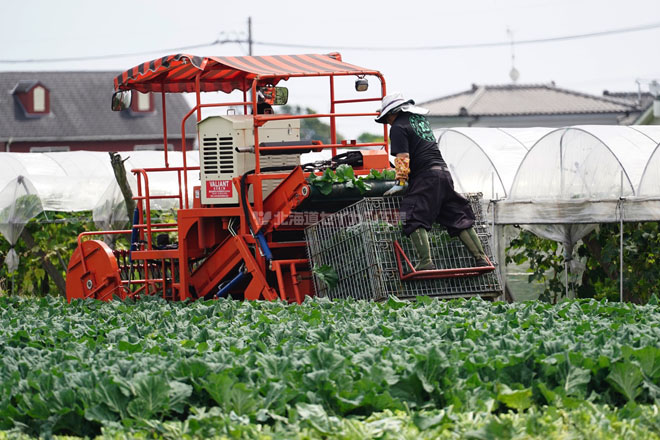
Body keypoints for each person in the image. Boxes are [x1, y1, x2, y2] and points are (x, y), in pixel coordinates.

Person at [377, 92, 490, 270]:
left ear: (393, 113)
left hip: (426, 176)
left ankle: (425, 262)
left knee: (412, 214)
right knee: (456, 214)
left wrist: (400, 181)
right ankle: (481, 258)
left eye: (386, 118)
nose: (388, 122)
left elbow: (403, 156)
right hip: (444, 174)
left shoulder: (398, 127)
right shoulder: (420, 122)